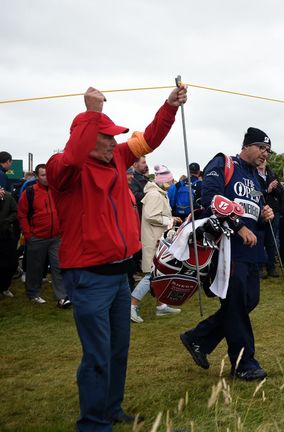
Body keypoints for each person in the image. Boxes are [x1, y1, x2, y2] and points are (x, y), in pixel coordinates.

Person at [47, 85, 187, 429]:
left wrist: (169, 106)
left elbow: (150, 138)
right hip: (88, 276)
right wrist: (91, 112)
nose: (114, 142)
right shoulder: (63, 169)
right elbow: (73, 153)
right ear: (87, 137)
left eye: (114, 137)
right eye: (106, 136)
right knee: (96, 355)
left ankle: (112, 409)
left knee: (117, 352)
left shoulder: (118, 159)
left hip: (118, 277)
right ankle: (93, 423)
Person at [180, 126, 275, 382]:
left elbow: (254, 211)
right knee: (235, 304)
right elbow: (209, 198)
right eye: (261, 148)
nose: (265, 154)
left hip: (252, 251)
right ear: (246, 146)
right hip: (227, 248)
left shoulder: (258, 177)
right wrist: (238, 225)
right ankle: (244, 363)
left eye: (268, 150)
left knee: (248, 302)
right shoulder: (224, 162)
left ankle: (198, 338)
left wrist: (265, 216)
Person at [130, 165, 182, 323]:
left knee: (160, 274)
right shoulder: (154, 194)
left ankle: (161, 306)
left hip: (158, 238)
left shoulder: (159, 193)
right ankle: (131, 306)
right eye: (168, 180)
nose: (171, 182)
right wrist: (171, 220)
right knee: (151, 275)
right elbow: (151, 216)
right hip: (153, 240)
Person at [16, 164, 68, 307]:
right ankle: (33, 293)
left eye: (48, 174)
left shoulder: (56, 191)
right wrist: (28, 234)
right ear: (37, 176)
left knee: (58, 266)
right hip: (37, 237)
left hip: (56, 237)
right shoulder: (30, 192)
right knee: (35, 268)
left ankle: (62, 296)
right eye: (43, 175)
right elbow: (22, 214)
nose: (47, 178)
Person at [255, 157, 282, 279]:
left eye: (264, 160)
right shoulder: (252, 174)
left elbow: (280, 191)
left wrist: (274, 188)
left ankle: (271, 267)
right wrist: (268, 189)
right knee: (260, 239)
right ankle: (260, 267)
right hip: (260, 211)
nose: (262, 162)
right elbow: (254, 193)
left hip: (274, 212)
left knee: (271, 241)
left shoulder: (272, 174)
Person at [0, 184, 19, 298]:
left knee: (12, 263)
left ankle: (5, 287)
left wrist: (7, 221)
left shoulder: (7, 196)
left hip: (6, 234)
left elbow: (15, 211)